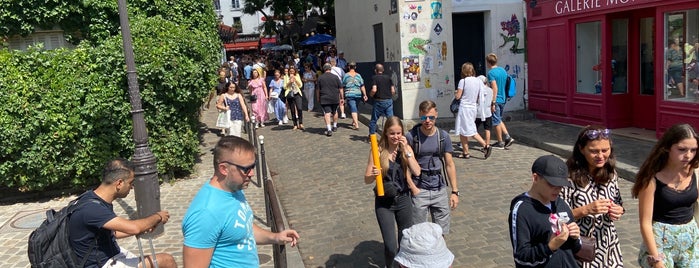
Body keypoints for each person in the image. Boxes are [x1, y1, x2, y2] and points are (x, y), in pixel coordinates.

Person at [182, 136, 300, 267]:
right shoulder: (206, 213)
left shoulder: (234, 188)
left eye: (253, 166)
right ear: (224, 169)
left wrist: (275, 237)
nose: (252, 174)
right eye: (246, 169)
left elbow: (242, 228)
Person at [68, 158, 177, 268]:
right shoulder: (92, 209)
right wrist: (158, 216)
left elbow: (114, 233)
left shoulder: (91, 198)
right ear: (119, 183)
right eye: (131, 182)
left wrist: (144, 227)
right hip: (101, 264)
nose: (132, 187)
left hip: (109, 256)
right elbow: (134, 228)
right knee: (166, 260)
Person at [631, 123, 699, 268]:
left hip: (690, 237)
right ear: (667, 147)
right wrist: (656, 259)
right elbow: (645, 222)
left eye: (693, 150)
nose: (688, 155)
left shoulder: (694, 171)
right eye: (682, 149)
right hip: (661, 239)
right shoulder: (651, 178)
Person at [561, 126, 625, 267]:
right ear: (581, 149)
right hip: (579, 246)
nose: (601, 156)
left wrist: (618, 210)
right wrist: (586, 210)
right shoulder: (568, 177)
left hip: (607, 245)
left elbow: (619, 203)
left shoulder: (611, 174)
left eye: (605, 150)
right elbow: (558, 218)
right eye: (594, 151)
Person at [364, 116, 421, 267]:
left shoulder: (406, 149)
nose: (395, 137)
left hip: (403, 200)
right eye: (392, 133)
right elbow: (367, 179)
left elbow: (417, 171)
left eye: (398, 133)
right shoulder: (378, 151)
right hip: (384, 203)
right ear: (386, 134)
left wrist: (407, 152)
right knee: (390, 246)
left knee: (405, 242)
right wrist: (373, 174)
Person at [508, 155, 582, 268]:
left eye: (561, 185)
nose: (557, 190)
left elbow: (575, 248)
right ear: (535, 178)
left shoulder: (560, 203)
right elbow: (521, 258)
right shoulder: (522, 210)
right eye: (552, 184)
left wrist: (575, 238)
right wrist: (550, 247)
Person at [406, 100, 458, 235]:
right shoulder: (412, 137)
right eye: (424, 118)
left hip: (439, 189)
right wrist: (413, 188)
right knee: (419, 234)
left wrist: (454, 191)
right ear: (420, 115)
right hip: (419, 190)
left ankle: (439, 255)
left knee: (441, 232)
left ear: (436, 115)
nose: (427, 121)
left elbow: (449, 164)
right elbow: (404, 166)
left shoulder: (443, 137)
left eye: (431, 117)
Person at [454, 62, 492, 159]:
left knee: (470, 130)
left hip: (464, 108)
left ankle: (485, 145)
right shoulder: (478, 81)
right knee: (463, 131)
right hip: (473, 107)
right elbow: (482, 95)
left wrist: (456, 93)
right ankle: (465, 152)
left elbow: (458, 96)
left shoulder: (463, 81)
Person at [486, 53, 515, 150]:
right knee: (499, 118)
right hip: (503, 98)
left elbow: (494, 87)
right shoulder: (502, 70)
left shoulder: (491, 73)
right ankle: (507, 137)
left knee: (496, 121)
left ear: (488, 62)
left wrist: (493, 102)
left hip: (496, 99)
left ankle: (500, 142)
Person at [317, 63, 344, 137]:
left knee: (327, 113)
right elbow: (341, 88)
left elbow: (318, 90)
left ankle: (329, 129)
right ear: (330, 69)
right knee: (335, 111)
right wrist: (342, 98)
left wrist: (318, 97)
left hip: (324, 97)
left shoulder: (320, 78)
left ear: (324, 69)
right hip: (335, 97)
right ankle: (335, 126)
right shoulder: (335, 77)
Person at [369, 64, 396, 137]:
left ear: (375, 70)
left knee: (374, 120)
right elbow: (393, 91)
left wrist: (371, 95)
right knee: (391, 120)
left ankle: (372, 136)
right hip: (388, 100)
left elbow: (374, 90)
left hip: (379, 101)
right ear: (383, 70)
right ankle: (393, 134)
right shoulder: (388, 78)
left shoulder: (374, 78)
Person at [342, 62, 368, 130]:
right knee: (355, 107)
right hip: (358, 94)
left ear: (348, 67)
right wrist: (365, 94)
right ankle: (354, 121)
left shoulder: (346, 75)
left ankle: (356, 124)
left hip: (350, 94)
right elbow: (362, 85)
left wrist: (342, 95)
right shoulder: (358, 75)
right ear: (355, 67)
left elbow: (343, 85)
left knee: (353, 108)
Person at [475, 75, 493, 151]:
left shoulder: (478, 90)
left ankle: (483, 143)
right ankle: (487, 144)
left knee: (473, 129)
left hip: (478, 112)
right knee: (487, 129)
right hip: (488, 112)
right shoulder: (490, 90)